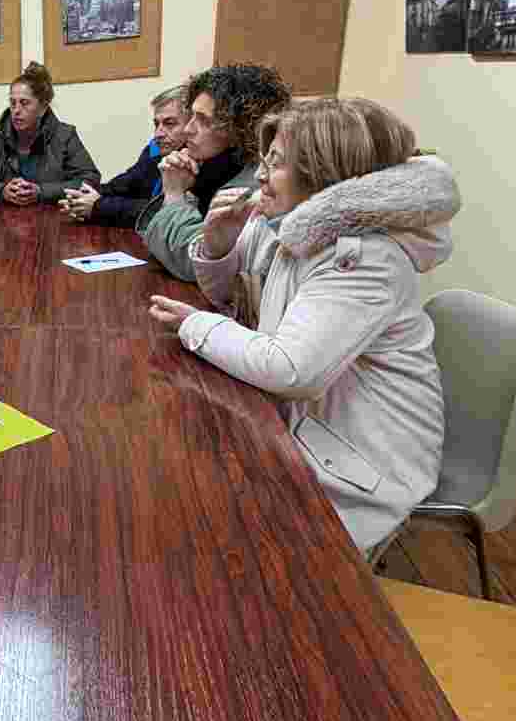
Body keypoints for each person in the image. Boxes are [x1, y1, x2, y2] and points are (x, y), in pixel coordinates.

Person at [148, 99, 461, 555]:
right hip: (308, 427)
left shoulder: (366, 255)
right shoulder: (286, 221)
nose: (259, 176)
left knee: (197, 526)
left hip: (362, 462)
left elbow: (290, 371)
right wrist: (217, 244)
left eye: (275, 163)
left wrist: (197, 326)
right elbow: (224, 294)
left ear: (322, 174)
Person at [135, 63, 291, 281]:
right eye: (191, 116)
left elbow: (196, 263)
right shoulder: (213, 168)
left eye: (203, 120)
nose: (188, 129)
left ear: (240, 128)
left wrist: (175, 195)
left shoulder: (259, 183)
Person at [0, 61, 100, 206]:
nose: (16, 110)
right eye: (13, 103)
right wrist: (1, 191)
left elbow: (91, 181)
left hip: (52, 218)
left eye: (24, 103)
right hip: (6, 219)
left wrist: (41, 192)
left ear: (43, 108)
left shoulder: (64, 136)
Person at [60, 84, 189, 227]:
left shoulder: (195, 162)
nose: (158, 133)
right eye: (156, 124)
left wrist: (98, 206)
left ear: (191, 125)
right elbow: (125, 184)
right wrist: (82, 197)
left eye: (169, 124)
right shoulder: (155, 149)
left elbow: (160, 213)